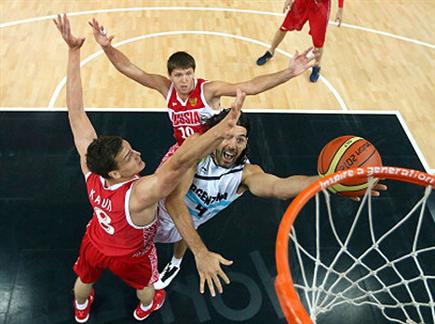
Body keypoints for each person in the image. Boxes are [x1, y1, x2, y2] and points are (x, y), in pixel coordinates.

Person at [88, 17, 316, 296]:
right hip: (183, 154)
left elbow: (251, 86)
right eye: (178, 75)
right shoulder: (166, 89)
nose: (184, 81)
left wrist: (290, 72)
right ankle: (157, 248)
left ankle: (176, 258)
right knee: (160, 202)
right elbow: (129, 68)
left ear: (194, 73)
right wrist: (107, 48)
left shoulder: (209, 90)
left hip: (211, 149)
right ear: (171, 76)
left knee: (183, 207)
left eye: (188, 74)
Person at [53, 14, 245, 323]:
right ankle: (146, 308)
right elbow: (181, 161)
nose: (138, 154)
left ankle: (81, 307)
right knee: (147, 288)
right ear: (116, 173)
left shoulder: (91, 170)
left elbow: (75, 113)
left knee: (83, 282)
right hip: (131, 254)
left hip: (95, 240)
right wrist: (221, 129)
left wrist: (73, 52)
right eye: (129, 157)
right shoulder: (141, 193)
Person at [153, 109, 388, 290]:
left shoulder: (246, 173)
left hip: (191, 220)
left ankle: (175, 262)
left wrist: (331, 180)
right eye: (228, 137)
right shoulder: (196, 153)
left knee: (189, 226)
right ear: (215, 136)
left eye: (241, 139)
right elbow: (174, 203)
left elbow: (279, 187)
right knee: (146, 255)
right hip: (155, 215)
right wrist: (201, 253)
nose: (233, 145)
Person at [256, 0, 344, 82]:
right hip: (303, 2)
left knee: (318, 42)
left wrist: (340, 9)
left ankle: (316, 66)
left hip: (320, 6)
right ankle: (270, 51)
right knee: (284, 27)